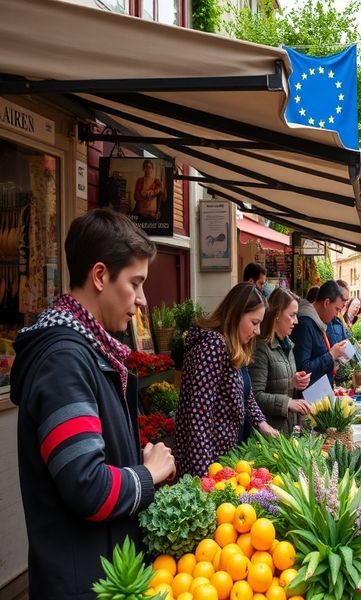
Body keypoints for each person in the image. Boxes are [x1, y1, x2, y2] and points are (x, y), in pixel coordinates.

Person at [11, 209, 175, 599]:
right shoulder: (64, 361)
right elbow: (87, 486)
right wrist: (147, 474)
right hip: (82, 584)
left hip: (101, 575)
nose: (141, 300)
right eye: (135, 283)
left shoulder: (87, 350)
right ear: (100, 276)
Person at [175, 283, 279, 476]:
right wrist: (206, 476)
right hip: (208, 463)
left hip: (224, 461)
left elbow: (245, 394)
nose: (257, 331)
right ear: (236, 315)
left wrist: (262, 424)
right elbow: (198, 417)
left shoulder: (233, 347)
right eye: (254, 323)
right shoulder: (213, 347)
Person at [249, 287, 312, 434]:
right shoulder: (261, 348)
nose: (296, 321)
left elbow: (276, 383)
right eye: (292, 315)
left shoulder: (287, 344)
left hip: (286, 431)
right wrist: (288, 403)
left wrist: (293, 382)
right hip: (268, 436)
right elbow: (254, 396)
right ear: (277, 315)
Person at [291, 280, 348, 386]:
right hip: (309, 398)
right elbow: (303, 370)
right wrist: (331, 355)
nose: (336, 315)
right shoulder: (305, 324)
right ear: (326, 303)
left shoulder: (320, 322)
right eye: (336, 309)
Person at [326, 279, 351, 346]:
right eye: (343, 300)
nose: (344, 304)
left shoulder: (338, 318)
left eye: (346, 301)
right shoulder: (326, 320)